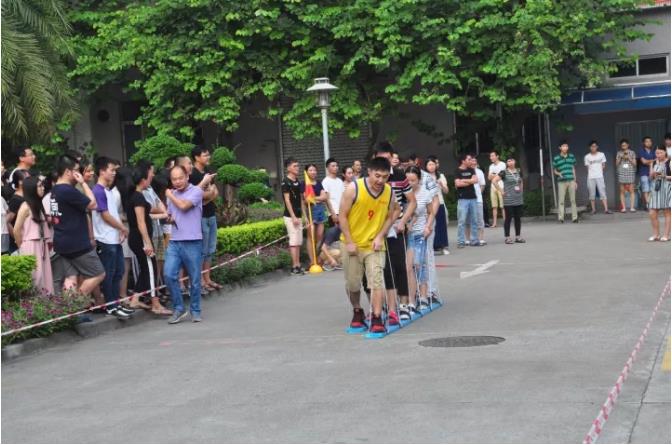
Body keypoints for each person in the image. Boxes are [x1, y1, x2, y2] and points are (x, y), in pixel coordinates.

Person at [339, 156, 395, 334]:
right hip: (352, 244)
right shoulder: (353, 189)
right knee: (353, 284)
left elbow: (391, 216)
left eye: (385, 177)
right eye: (377, 176)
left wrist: (380, 236)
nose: (380, 180)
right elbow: (342, 216)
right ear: (369, 172)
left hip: (374, 245)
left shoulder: (389, 192)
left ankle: (377, 317)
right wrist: (349, 241)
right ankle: (357, 310)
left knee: (376, 281)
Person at [50, 155, 106, 300]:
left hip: (62, 242)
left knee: (71, 278)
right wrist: (83, 183)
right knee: (98, 273)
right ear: (68, 172)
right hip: (76, 243)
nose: (79, 174)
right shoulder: (67, 190)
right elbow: (93, 204)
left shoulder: (55, 190)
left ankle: (67, 309)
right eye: (76, 170)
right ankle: (72, 304)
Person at [372, 144, 415, 326]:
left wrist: (403, 221)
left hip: (396, 228)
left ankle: (403, 303)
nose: (385, 161)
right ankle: (386, 307)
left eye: (387, 158)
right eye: (381, 158)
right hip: (376, 229)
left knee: (399, 265)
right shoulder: (371, 177)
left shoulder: (398, 175)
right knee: (384, 269)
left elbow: (412, 201)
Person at [126, 164, 172, 315]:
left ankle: (135, 299)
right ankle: (155, 304)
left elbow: (149, 213)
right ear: (143, 179)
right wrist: (147, 242)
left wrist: (163, 214)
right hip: (140, 239)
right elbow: (141, 222)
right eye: (150, 174)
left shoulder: (135, 195)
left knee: (147, 269)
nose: (152, 176)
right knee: (151, 269)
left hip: (138, 238)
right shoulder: (138, 197)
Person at [92, 156, 133, 319]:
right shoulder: (98, 191)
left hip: (114, 238)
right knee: (109, 273)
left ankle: (116, 303)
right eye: (112, 170)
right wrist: (122, 227)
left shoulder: (108, 191)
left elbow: (113, 214)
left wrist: (120, 230)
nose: (114, 173)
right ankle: (111, 306)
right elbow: (105, 215)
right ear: (102, 171)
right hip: (105, 239)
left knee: (118, 271)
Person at [164, 165, 204, 324]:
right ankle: (179, 308)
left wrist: (169, 195)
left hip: (193, 241)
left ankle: (195, 310)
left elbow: (184, 206)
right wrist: (169, 218)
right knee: (168, 274)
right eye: (174, 179)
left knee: (195, 279)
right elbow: (171, 214)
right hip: (175, 241)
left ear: (187, 176)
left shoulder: (197, 191)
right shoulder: (172, 195)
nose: (177, 181)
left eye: (180, 178)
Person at [12, 176, 54, 294]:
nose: (43, 188)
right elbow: (16, 230)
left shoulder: (38, 205)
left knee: (45, 277)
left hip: (41, 244)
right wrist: (21, 247)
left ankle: (45, 302)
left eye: (42, 185)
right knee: (36, 278)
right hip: (31, 245)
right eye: (39, 186)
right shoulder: (25, 206)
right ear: (31, 188)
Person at [189, 147, 221, 293]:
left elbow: (215, 192)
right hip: (199, 216)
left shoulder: (208, 171)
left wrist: (207, 196)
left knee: (210, 249)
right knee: (202, 250)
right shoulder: (193, 174)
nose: (208, 157)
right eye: (205, 155)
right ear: (196, 157)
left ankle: (207, 278)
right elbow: (196, 195)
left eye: (208, 154)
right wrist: (207, 195)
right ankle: (200, 280)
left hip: (211, 213)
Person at [405, 165, 436, 311]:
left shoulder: (425, 193)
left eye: (413, 180)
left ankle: (423, 296)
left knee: (419, 264)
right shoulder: (403, 193)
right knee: (409, 267)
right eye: (407, 180)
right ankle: (411, 299)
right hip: (406, 235)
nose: (410, 183)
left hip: (420, 234)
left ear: (419, 180)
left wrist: (428, 227)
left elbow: (431, 212)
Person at [301, 164, 329, 267]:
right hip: (310, 210)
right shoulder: (303, 184)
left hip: (320, 210)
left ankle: (317, 258)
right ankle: (312, 261)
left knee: (319, 236)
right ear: (306, 172)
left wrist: (313, 198)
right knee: (310, 236)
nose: (313, 172)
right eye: (310, 170)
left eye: (314, 170)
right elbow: (304, 201)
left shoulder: (319, 183)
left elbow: (324, 197)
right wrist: (305, 216)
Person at [281, 157, 306, 275]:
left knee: (298, 242)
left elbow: (301, 199)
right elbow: (287, 200)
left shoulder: (298, 181)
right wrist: (293, 216)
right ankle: (294, 267)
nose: (297, 168)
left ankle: (298, 265)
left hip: (299, 215)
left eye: (298, 165)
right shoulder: (285, 181)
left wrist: (305, 216)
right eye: (295, 166)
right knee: (294, 241)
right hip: (290, 216)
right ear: (288, 168)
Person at [425, 156, 449, 255]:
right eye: (429, 164)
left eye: (433, 164)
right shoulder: (424, 177)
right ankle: (432, 247)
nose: (431, 166)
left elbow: (446, 191)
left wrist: (441, 184)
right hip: (428, 204)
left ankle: (443, 246)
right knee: (430, 225)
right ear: (426, 166)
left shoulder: (440, 176)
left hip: (440, 203)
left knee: (441, 225)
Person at [647, 146, 671, 242]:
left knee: (667, 212)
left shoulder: (669, 162)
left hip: (667, 188)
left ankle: (666, 235)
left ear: (665, 152)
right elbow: (650, 177)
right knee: (652, 213)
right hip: (655, 189)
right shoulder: (653, 162)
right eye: (657, 153)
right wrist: (652, 174)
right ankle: (656, 234)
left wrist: (664, 176)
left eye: (660, 153)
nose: (658, 155)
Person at [454, 153, 479, 248]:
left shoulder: (471, 169)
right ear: (463, 161)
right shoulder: (457, 171)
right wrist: (470, 181)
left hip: (473, 197)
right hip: (463, 198)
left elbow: (475, 180)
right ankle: (461, 241)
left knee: (474, 220)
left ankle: (474, 240)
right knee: (462, 221)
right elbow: (458, 184)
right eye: (469, 159)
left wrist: (464, 180)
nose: (471, 161)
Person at [500, 157, 526, 244]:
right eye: (508, 161)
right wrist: (501, 191)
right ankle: (507, 237)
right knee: (508, 218)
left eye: (512, 160)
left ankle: (518, 237)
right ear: (507, 163)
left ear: (515, 162)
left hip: (518, 198)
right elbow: (495, 181)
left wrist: (521, 191)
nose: (510, 162)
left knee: (518, 218)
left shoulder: (519, 170)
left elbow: (521, 181)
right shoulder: (504, 172)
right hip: (508, 199)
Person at [584, 140, 612, 214]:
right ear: (590, 147)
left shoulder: (601, 154)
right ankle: (593, 210)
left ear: (597, 147)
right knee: (591, 193)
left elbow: (603, 165)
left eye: (595, 146)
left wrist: (599, 172)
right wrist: (592, 173)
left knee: (602, 192)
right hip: (591, 177)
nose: (593, 148)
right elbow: (587, 168)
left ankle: (606, 209)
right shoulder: (587, 156)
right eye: (592, 146)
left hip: (599, 176)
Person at [553, 141, 578, 223]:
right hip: (561, 182)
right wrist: (559, 173)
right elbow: (554, 170)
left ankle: (575, 218)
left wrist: (575, 181)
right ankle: (561, 218)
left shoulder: (571, 156)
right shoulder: (556, 158)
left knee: (573, 200)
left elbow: (573, 169)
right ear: (560, 148)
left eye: (566, 146)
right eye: (563, 146)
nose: (565, 148)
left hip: (571, 180)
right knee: (561, 200)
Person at [6, 169, 27, 253]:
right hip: (19, 242)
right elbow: (7, 221)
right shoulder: (16, 199)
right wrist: (17, 238)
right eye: (27, 179)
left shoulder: (26, 196)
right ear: (20, 182)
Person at [615, 138, 637, 213]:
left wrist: (629, 158)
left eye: (625, 145)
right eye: (622, 145)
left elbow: (635, 164)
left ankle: (632, 207)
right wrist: (620, 157)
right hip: (622, 172)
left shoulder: (632, 152)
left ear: (628, 145)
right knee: (622, 191)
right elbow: (616, 164)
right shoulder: (619, 153)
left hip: (630, 172)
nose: (623, 146)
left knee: (631, 190)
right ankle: (624, 208)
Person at [322, 158, 344, 227]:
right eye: (333, 166)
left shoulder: (340, 181)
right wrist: (333, 214)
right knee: (335, 232)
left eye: (336, 166)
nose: (336, 167)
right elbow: (327, 199)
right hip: (334, 213)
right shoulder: (325, 181)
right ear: (327, 168)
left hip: (342, 211)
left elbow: (343, 197)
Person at [469, 156, 487, 246]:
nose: (473, 162)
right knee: (470, 219)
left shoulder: (479, 172)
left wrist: (479, 193)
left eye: (475, 160)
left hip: (478, 199)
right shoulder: (466, 171)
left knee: (480, 219)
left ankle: (481, 238)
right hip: (468, 199)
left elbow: (482, 185)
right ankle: (471, 238)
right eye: (471, 160)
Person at [488, 151, 506, 228]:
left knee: (503, 206)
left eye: (492, 156)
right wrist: (496, 175)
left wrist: (493, 175)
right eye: (490, 156)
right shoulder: (491, 166)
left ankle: (506, 222)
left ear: (497, 156)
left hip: (501, 186)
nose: (491, 157)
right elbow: (489, 178)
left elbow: (501, 175)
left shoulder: (502, 164)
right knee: (494, 206)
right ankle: (494, 223)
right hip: (493, 187)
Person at [637, 136, 656, 211]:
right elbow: (643, 162)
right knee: (645, 189)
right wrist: (652, 161)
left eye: (650, 141)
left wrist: (649, 161)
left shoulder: (653, 151)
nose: (648, 143)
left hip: (652, 173)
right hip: (643, 173)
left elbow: (656, 161)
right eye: (647, 141)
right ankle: (648, 205)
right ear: (643, 143)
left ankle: (649, 204)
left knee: (651, 189)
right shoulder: (641, 151)